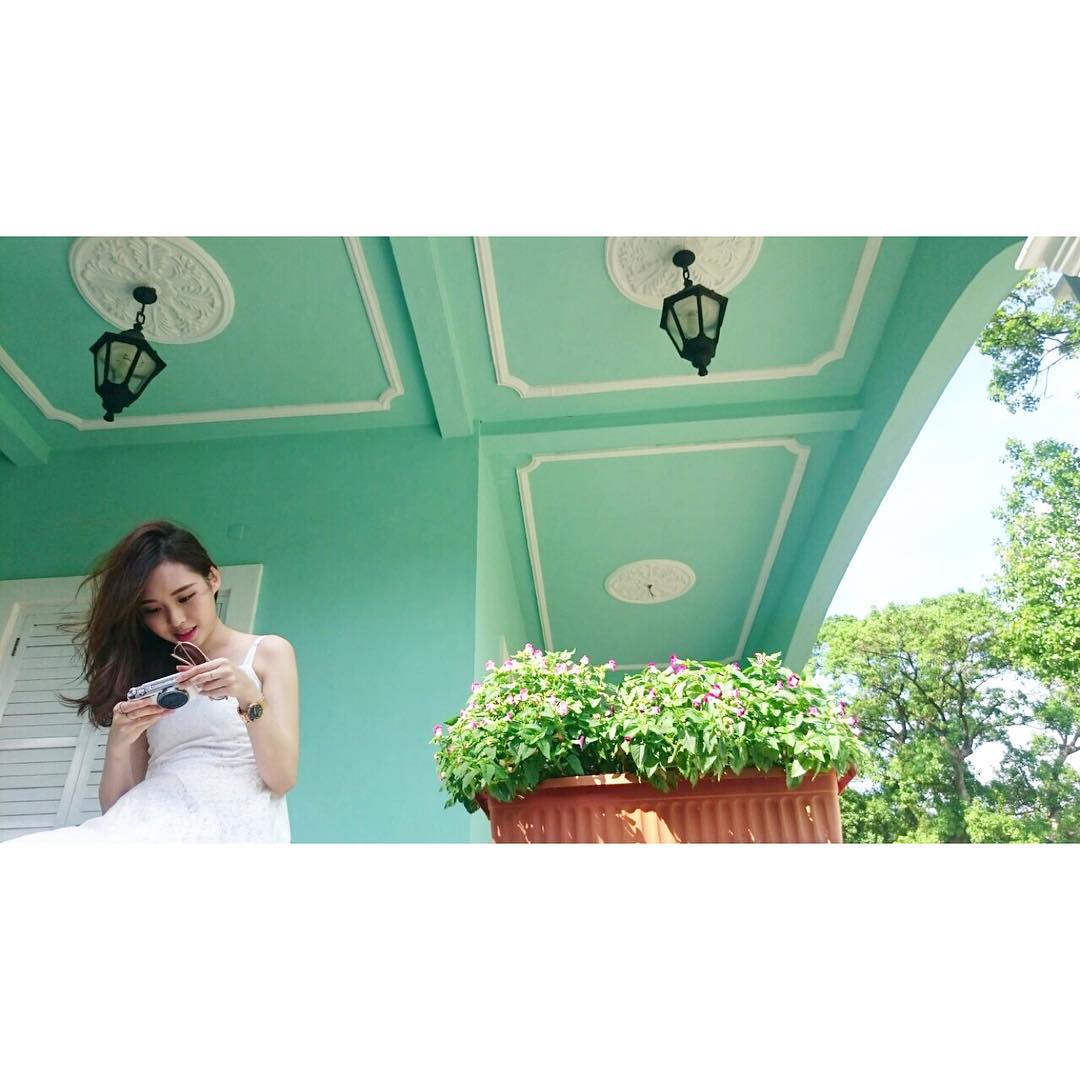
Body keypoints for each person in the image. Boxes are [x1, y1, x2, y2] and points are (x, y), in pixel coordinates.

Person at [6, 520, 299, 843]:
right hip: (149, 823)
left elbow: (282, 779)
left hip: (230, 824)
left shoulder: (268, 652)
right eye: (152, 610)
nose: (176, 620)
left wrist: (247, 695)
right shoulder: (147, 674)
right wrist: (118, 743)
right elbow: (116, 809)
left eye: (185, 597)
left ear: (213, 578)